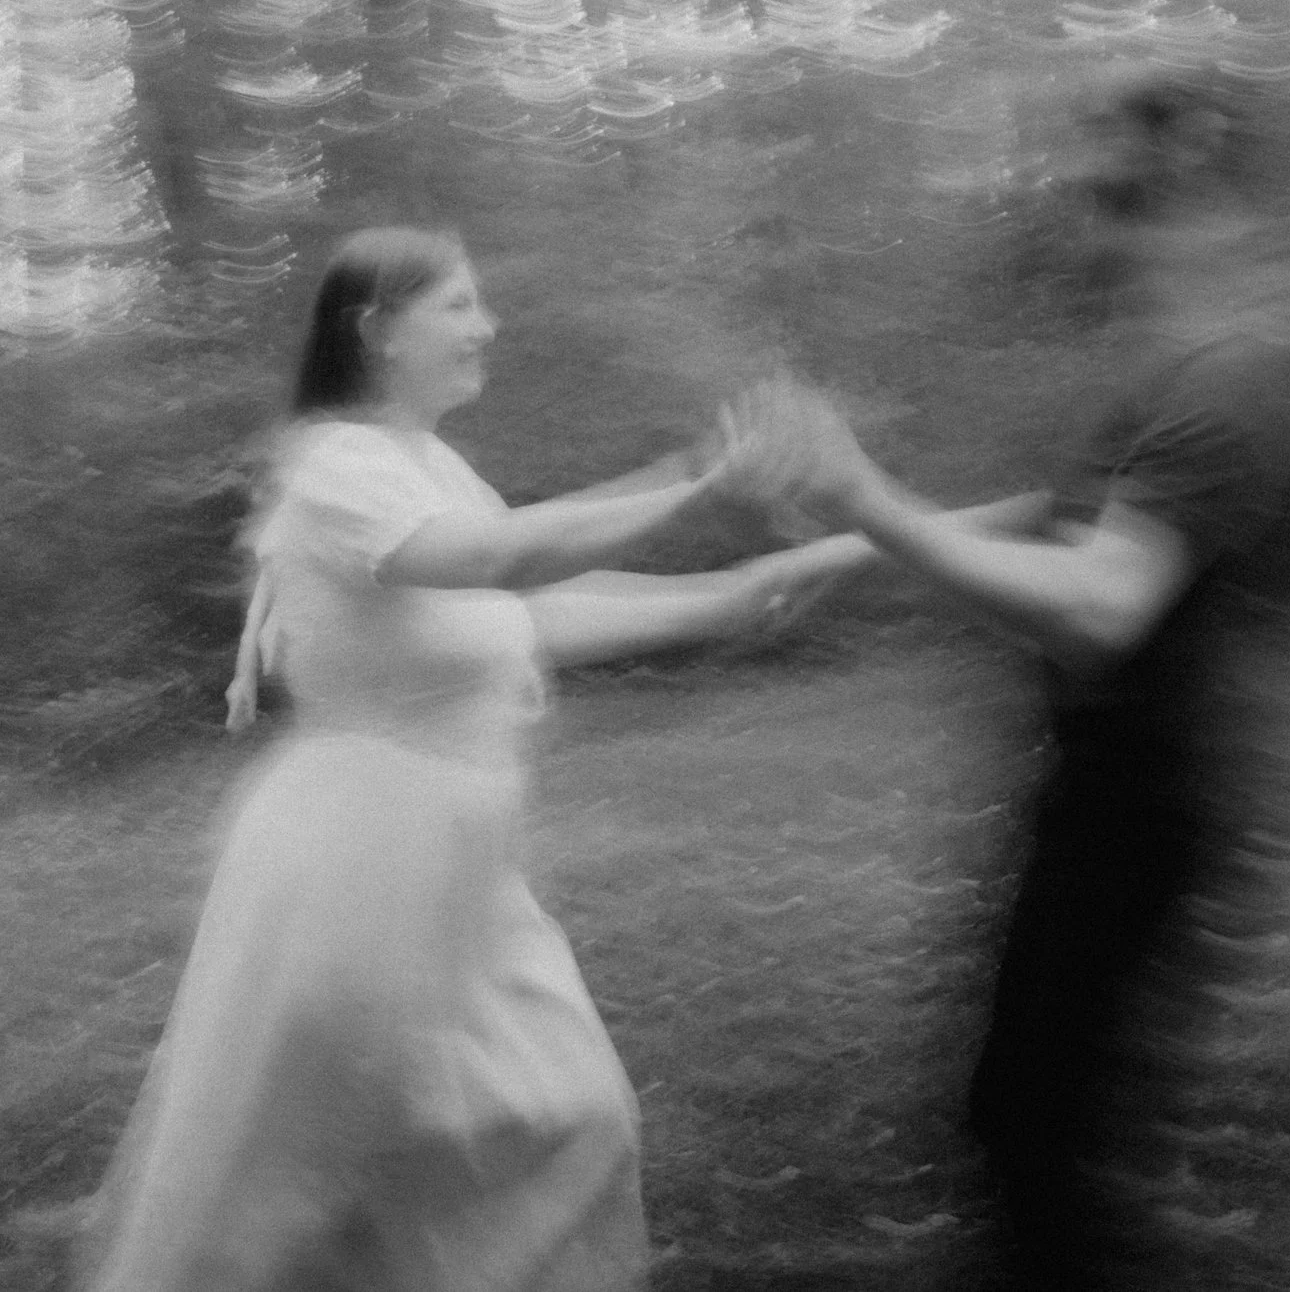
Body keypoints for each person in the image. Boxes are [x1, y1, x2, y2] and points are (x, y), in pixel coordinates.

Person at [76, 226, 884, 1292]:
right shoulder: (332, 468)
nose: (483, 324)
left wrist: (724, 596)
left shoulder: (429, 462)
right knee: (293, 1178)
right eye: (456, 304)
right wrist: (697, 490)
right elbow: (498, 558)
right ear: (376, 330)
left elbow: (519, 607)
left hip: (459, 860)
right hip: (353, 867)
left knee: (569, 1112)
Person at [720, 67, 1290, 1290]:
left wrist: (869, 492)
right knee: (1020, 1113)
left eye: (1095, 178)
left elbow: (1100, 602)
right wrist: (850, 539)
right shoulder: (1201, 338)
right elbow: (1080, 512)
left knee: (1042, 1136)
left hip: (1158, 788)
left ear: (1185, 157)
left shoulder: (1252, 356)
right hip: (1113, 776)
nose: (1076, 208)